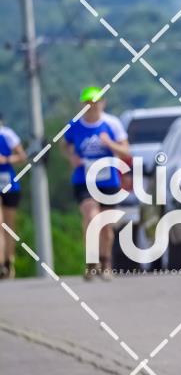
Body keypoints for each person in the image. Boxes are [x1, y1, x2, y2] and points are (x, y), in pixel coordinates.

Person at [61, 87, 130, 280]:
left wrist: (110, 144)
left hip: (108, 179)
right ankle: (92, 262)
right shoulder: (75, 125)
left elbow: (126, 151)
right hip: (84, 179)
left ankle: (105, 262)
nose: (91, 106)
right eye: (88, 103)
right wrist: (71, 157)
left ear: (103, 103)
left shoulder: (112, 123)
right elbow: (64, 145)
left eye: (95, 102)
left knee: (106, 225)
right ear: (82, 105)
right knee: (91, 217)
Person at [0, 118, 27, 279]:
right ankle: (1, 264)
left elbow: (22, 156)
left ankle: (9, 261)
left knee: (8, 226)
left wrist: (6, 159)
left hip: (9, 184)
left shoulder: (7, 134)